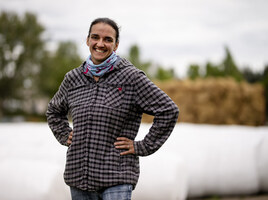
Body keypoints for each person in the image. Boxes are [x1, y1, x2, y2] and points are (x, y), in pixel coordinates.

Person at [46, 17, 179, 200]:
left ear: (116, 45)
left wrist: (142, 146)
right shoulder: (73, 78)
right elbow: (54, 110)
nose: (100, 43)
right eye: (95, 37)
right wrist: (63, 133)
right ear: (87, 40)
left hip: (117, 175)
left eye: (108, 39)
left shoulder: (131, 78)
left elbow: (168, 110)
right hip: (79, 176)